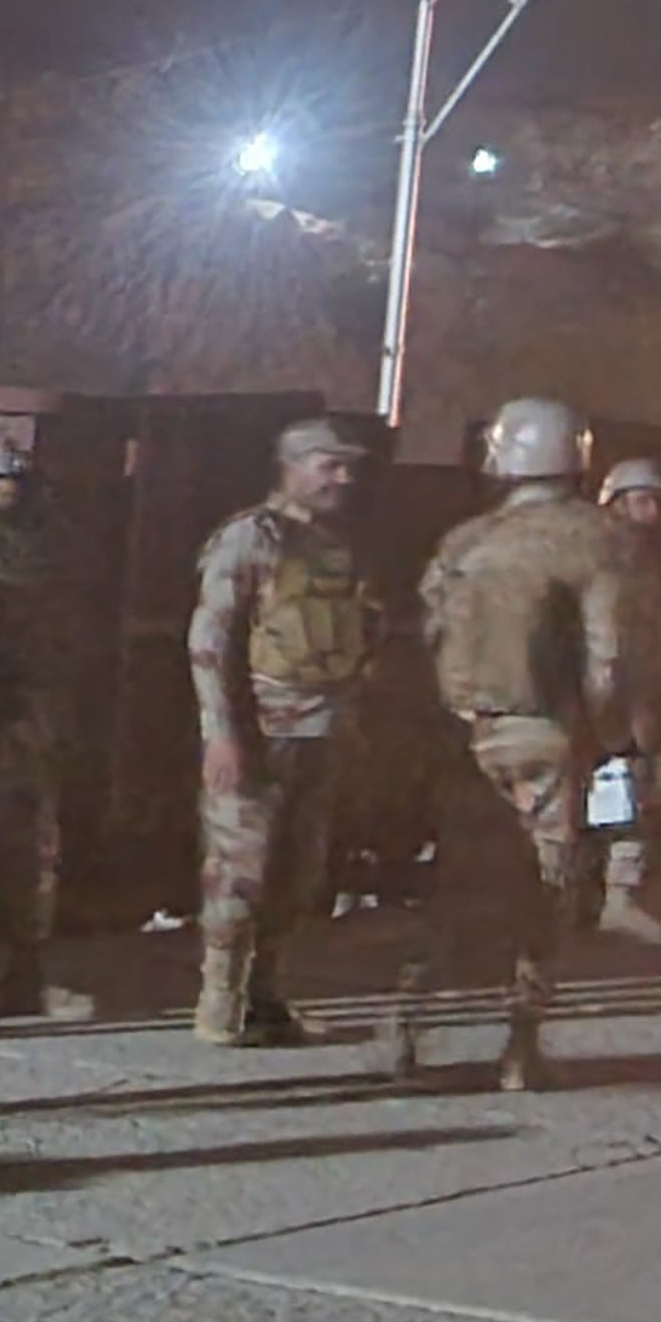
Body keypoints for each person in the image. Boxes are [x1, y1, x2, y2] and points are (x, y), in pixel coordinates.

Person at [407, 393, 653, 1088]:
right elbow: (610, 655)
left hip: (464, 734)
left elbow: (427, 634)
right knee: (545, 890)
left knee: (461, 882)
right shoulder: (600, 540)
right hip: (547, 732)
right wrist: (608, 735)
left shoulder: (464, 541)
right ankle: (520, 1047)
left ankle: (413, 1024)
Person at [183, 411, 384, 1045]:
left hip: (321, 732)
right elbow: (211, 642)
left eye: (347, 467)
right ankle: (220, 1004)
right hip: (260, 733)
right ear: (291, 467)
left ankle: (266, 998)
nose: (342, 478)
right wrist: (221, 733)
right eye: (329, 465)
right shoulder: (249, 538)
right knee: (238, 872)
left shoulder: (336, 545)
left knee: (298, 874)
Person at [0, 424, 94, 1018]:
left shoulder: (45, 544)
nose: (6, 494)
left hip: (16, 716)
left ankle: (22, 975)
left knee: (28, 846)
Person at [584, 455, 661, 943]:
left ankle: (615, 899)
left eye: (656, 502)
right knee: (616, 796)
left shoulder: (647, 562)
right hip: (608, 696)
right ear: (617, 503)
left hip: (634, 692)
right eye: (643, 501)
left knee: (632, 798)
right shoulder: (601, 558)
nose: (652, 513)